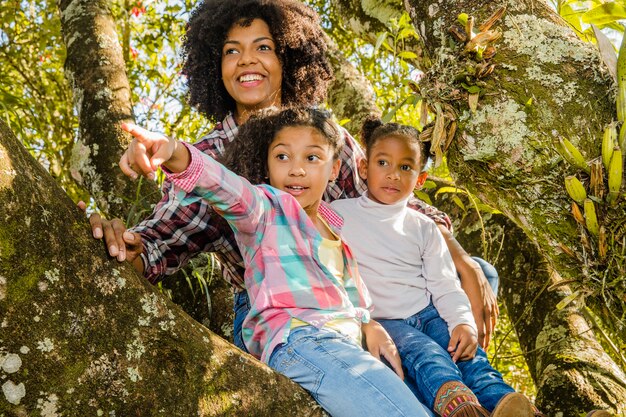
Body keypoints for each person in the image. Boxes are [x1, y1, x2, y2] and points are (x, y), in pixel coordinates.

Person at [84, 0, 498, 353]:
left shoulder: (325, 137)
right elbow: (161, 240)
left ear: (288, 57)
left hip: (354, 292)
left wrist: (458, 255)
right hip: (277, 306)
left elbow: (393, 207)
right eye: (232, 51)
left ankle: (461, 387)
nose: (246, 59)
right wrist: (126, 244)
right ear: (217, 67)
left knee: (478, 272)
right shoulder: (209, 154)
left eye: (262, 47)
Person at [118, 107, 431, 417]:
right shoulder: (266, 208)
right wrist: (173, 151)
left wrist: (368, 323)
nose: (296, 169)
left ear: (334, 169)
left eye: (312, 158)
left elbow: (352, 291)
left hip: (343, 346)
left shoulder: (337, 227)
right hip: (300, 339)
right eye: (283, 157)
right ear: (267, 167)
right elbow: (224, 187)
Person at [331, 118, 540, 417]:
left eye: (405, 167)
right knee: (429, 359)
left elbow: (444, 284)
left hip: (429, 313)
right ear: (364, 168)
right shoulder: (339, 215)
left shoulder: (424, 227)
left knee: (473, 360)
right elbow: (305, 219)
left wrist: (462, 323)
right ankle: (465, 412)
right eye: (383, 163)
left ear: (420, 179)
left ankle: (518, 409)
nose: (393, 175)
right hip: (387, 320)